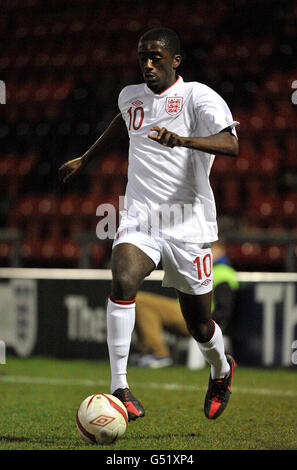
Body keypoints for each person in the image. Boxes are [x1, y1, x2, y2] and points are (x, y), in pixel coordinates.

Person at [59, 27, 239, 421]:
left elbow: (231, 144)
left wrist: (184, 141)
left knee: (200, 325)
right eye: (142, 57)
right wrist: (84, 160)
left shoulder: (198, 96)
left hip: (188, 225)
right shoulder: (130, 96)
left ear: (176, 60)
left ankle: (221, 370)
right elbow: (121, 123)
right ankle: (119, 386)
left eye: (156, 56)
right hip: (141, 217)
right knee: (122, 277)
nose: (148, 64)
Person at [131, 239, 239, 368]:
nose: (207, 250)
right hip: (187, 312)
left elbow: (224, 309)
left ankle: (158, 353)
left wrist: (206, 329)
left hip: (198, 317)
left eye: (212, 247)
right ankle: (149, 351)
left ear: (222, 250)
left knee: (141, 301)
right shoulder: (205, 267)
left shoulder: (223, 272)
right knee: (139, 301)